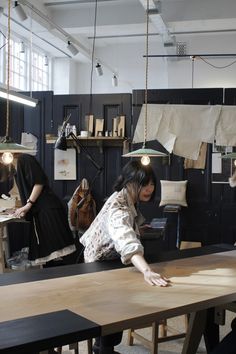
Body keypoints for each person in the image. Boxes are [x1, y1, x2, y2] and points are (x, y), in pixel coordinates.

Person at [80, 160, 170, 354]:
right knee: (110, 309)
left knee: (113, 309)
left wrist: (138, 228)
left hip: (107, 260)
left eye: (152, 184)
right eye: (143, 184)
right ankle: (104, 349)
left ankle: (103, 348)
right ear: (129, 182)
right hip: (99, 263)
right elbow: (124, 237)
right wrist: (146, 270)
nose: (149, 189)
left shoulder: (125, 198)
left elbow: (127, 229)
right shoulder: (118, 208)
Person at [10, 153, 76, 266]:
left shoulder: (25, 159)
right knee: (48, 257)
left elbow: (39, 182)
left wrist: (28, 205)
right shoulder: (13, 166)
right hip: (40, 211)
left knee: (58, 254)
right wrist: (21, 207)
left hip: (48, 210)